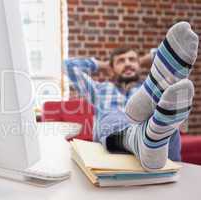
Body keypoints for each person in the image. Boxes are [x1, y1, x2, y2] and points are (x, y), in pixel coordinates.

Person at [65, 21, 198, 171]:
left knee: (165, 113)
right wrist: (103, 64)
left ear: (140, 65)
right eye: (121, 61)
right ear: (112, 68)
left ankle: (149, 137)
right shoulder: (99, 89)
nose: (128, 63)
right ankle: (141, 138)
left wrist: (143, 60)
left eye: (132, 60)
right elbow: (69, 66)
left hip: (163, 151)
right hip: (113, 142)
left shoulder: (154, 88)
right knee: (111, 115)